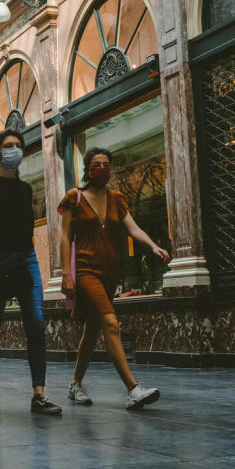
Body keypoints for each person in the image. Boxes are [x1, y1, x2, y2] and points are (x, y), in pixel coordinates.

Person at [59, 147, 171, 409]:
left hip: (109, 272)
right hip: (85, 271)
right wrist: (66, 273)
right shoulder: (73, 198)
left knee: (93, 328)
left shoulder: (117, 198)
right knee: (110, 323)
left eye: (106, 164)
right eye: (96, 164)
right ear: (87, 170)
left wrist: (153, 246)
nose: (102, 169)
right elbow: (65, 237)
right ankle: (133, 389)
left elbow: (133, 228)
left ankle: (75, 385)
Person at [0, 130, 61, 415]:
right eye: (8, 146)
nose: (14, 150)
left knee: (36, 323)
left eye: (18, 146)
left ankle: (38, 394)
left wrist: (31, 258)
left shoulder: (25, 189)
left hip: (24, 260)